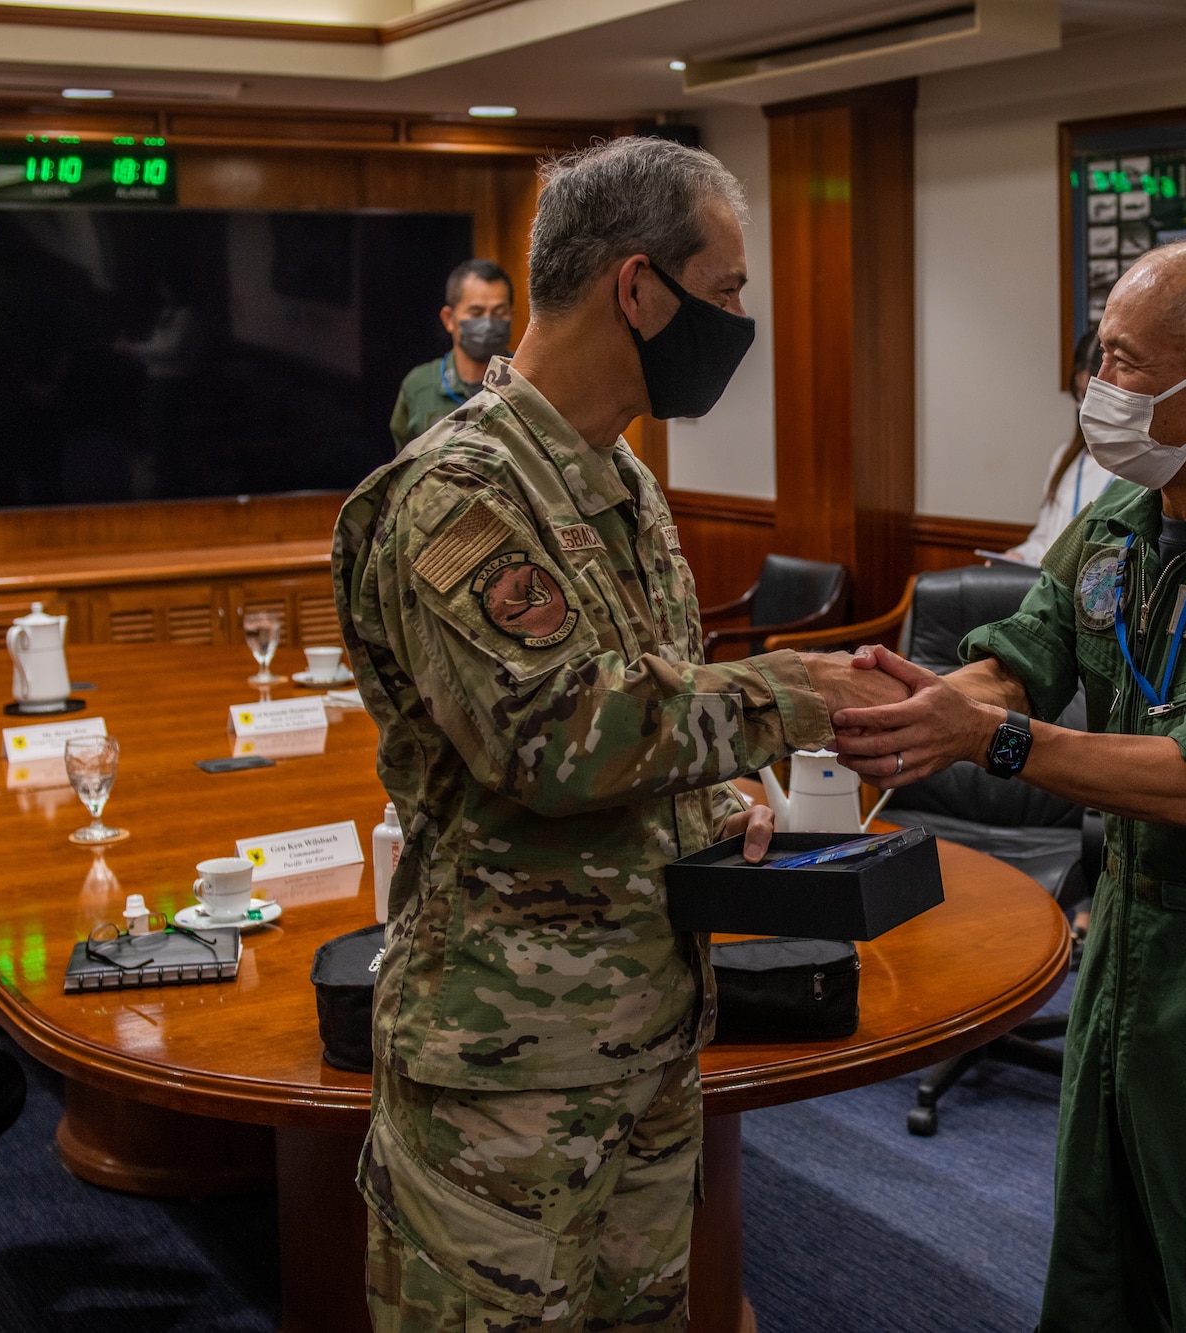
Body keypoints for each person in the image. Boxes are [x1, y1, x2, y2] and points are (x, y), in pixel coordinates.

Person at [333, 137, 904, 1330]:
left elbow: (650, 704)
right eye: (729, 288)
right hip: (506, 1068)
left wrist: (717, 801)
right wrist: (791, 694)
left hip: (644, 1030)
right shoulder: (460, 491)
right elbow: (553, 740)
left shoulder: (619, 478)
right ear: (638, 288)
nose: (741, 318)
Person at [829, 235, 1186, 1332]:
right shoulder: (1117, 528)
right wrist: (933, 703)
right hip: (1119, 949)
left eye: (1124, 360)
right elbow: (1024, 654)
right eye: (1099, 357)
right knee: (1097, 1266)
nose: (1098, 389)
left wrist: (988, 742)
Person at [1002, 327, 1114, 565]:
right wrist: (1019, 556)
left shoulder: (1135, 471)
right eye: (1080, 395)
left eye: (1093, 396)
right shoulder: (1065, 458)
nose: (1085, 407)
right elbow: (1045, 541)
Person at [388, 258, 516, 450]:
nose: (488, 323)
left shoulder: (528, 380)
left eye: (498, 313)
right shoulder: (419, 387)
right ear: (449, 319)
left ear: (511, 316)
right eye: (476, 313)